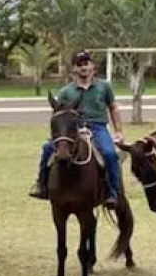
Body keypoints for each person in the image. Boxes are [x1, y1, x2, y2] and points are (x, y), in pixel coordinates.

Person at [30, 49, 124, 206]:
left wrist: (118, 131)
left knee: (109, 154)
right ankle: (41, 185)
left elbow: (113, 108)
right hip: (73, 129)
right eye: (79, 65)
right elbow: (59, 116)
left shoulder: (104, 87)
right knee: (47, 149)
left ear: (92, 66)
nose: (83, 68)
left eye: (86, 63)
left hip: (98, 127)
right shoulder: (66, 92)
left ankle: (112, 193)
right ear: (74, 68)